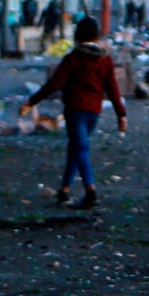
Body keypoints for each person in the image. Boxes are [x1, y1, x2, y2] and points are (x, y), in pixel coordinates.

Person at [21, 16, 127, 208]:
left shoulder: (73, 58)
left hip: (75, 110)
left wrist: (31, 101)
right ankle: (64, 190)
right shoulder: (105, 60)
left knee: (80, 148)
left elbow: (53, 84)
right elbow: (113, 90)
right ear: (97, 35)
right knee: (77, 148)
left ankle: (90, 190)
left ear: (78, 35)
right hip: (94, 112)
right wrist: (121, 114)